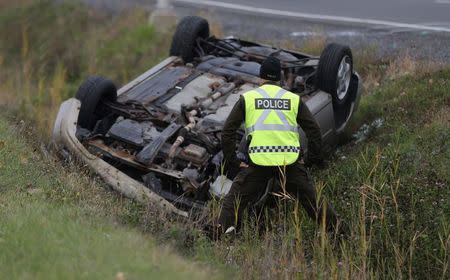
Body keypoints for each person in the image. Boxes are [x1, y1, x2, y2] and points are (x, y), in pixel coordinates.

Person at [218, 56, 343, 235]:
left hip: (259, 163)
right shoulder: (293, 99)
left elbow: (227, 132)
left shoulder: (248, 98)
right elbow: (314, 130)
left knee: (234, 200)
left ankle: (219, 234)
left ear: (261, 77)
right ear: (279, 79)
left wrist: (234, 161)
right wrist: (310, 159)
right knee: (313, 201)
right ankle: (338, 233)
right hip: (289, 164)